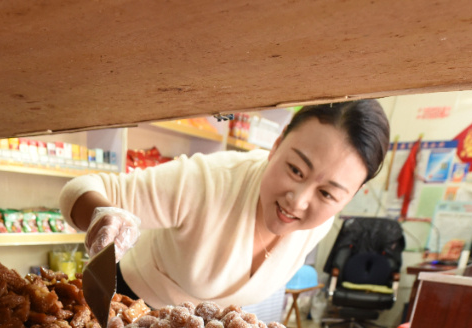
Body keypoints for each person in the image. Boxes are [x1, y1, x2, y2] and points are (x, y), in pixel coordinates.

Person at [60, 100, 390, 309]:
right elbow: (80, 188)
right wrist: (103, 216)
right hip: (126, 308)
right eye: (295, 170)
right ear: (276, 145)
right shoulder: (210, 181)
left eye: (327, 194)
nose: (298, 201)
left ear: (351, 197)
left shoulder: (319, 225)